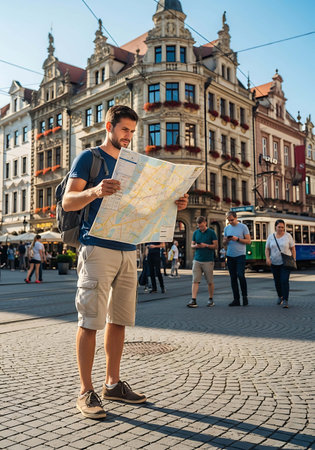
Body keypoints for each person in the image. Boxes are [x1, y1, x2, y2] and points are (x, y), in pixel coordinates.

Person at [62, 105, 189, 419]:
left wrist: (173, 203)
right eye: (124, 130)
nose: (129, 136)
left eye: (132, 131)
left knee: (118, 320)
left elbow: (145, 205)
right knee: (90, 320)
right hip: (97, 248)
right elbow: (68, 200)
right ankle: (85, 390)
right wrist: (94, 191)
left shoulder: (135, 166)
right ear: (109, 126)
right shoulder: (90, 158)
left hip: (128, 248)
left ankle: (113, 383)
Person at [187, 216, 218, 308]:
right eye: (199, 226)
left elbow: (215, 246)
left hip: (208, 260)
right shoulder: (196, 233)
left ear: (205, 223)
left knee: (209, 281)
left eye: (201, 226)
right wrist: (196, 246)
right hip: (197, 259)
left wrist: (206, 245)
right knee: (195, 280)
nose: (200, 228)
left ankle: (211, 299)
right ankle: (193, 300)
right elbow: (192, 245)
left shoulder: (212, 232)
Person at [265, 219, 296, 308]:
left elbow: (293, 248)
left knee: (284, 280)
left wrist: (293, 259)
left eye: (282, 227)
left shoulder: (288, 236)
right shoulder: (271, 237)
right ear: (275, 227)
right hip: (274, 263)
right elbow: (267, 249)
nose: (281, 229)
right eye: (279, 227)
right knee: (277, 282)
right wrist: (268, 258)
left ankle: (285, 300)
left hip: (285, 263)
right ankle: (280, 296)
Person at [223, 211, 251, 306]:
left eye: (231, 220)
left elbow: (248, 241)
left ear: (236, 218)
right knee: (233, 277)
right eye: (228, 220)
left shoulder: (243, 227)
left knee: (241, 275)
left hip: (240, 255)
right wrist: (226, 240)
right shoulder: (227, 228)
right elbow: (223, 242)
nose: (230, 222)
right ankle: (236, 299)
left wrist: (237, 239)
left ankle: (245, 296)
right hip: (230, 255)